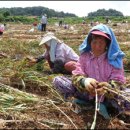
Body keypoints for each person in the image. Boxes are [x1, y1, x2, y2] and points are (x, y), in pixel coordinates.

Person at [53, 24, 130, 119]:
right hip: (85, 93)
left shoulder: (114, 59)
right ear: (90, 42)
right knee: (58, 80)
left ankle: (107, 107)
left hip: (108, 97)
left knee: (127, 95)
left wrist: (106, 88)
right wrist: (85, 82)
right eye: (94, 42)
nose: (97, 46)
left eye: (101, 43)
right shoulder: (84, 57)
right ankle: (88, 103)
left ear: (107, 44)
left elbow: (118, 82)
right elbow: (76, 75)